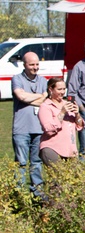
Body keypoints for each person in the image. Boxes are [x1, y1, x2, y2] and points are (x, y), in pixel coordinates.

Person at [11, 51, 46, 193]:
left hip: (38, 128)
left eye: (37, 64)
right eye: (31, 64)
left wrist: (30, 97)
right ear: (24, 65)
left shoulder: (43, 81)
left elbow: (46, 101)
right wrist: (40, 96)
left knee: (36, 163)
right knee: (21, 163)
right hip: (21, 129)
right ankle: (18, 194)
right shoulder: (17, 79)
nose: (35, 67)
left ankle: (37, 194)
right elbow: (21, 96)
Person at [38, 78, 85, 166]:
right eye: (59, 89)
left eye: (64, 89)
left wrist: (77, 114)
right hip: (52, 148)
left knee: (76, 178)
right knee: (58, 177)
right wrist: (62, 113)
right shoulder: (46, 107)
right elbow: (48, 129)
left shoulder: (67, 104)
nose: (63, 92)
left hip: (70, 150)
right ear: (51, 89)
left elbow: (80, 126)